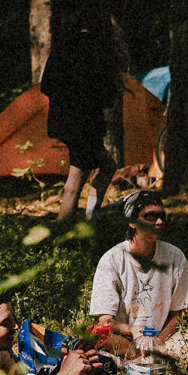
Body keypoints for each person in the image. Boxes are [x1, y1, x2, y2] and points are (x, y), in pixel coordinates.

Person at [87, 190, 188, 359]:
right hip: (126, 339)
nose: (159, 222)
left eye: (162, 216)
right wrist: (132, 330)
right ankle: (136, 356)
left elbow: (178, 313)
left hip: (162, 337)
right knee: (94, 334)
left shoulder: (174, 255)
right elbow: (106, 321)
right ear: (132, 222)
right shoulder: (112, 260)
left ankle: (149, 356)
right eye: (150, 217)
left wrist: (159, 342)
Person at [41, 23, 120, 225]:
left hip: (64, 121)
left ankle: (90, 220)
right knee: (75, 180)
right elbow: (108, 93)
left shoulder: (63, 46)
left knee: (107, 165)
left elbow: (45, 86)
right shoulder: (99, 50)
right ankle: (64, 232)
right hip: (86, 123)